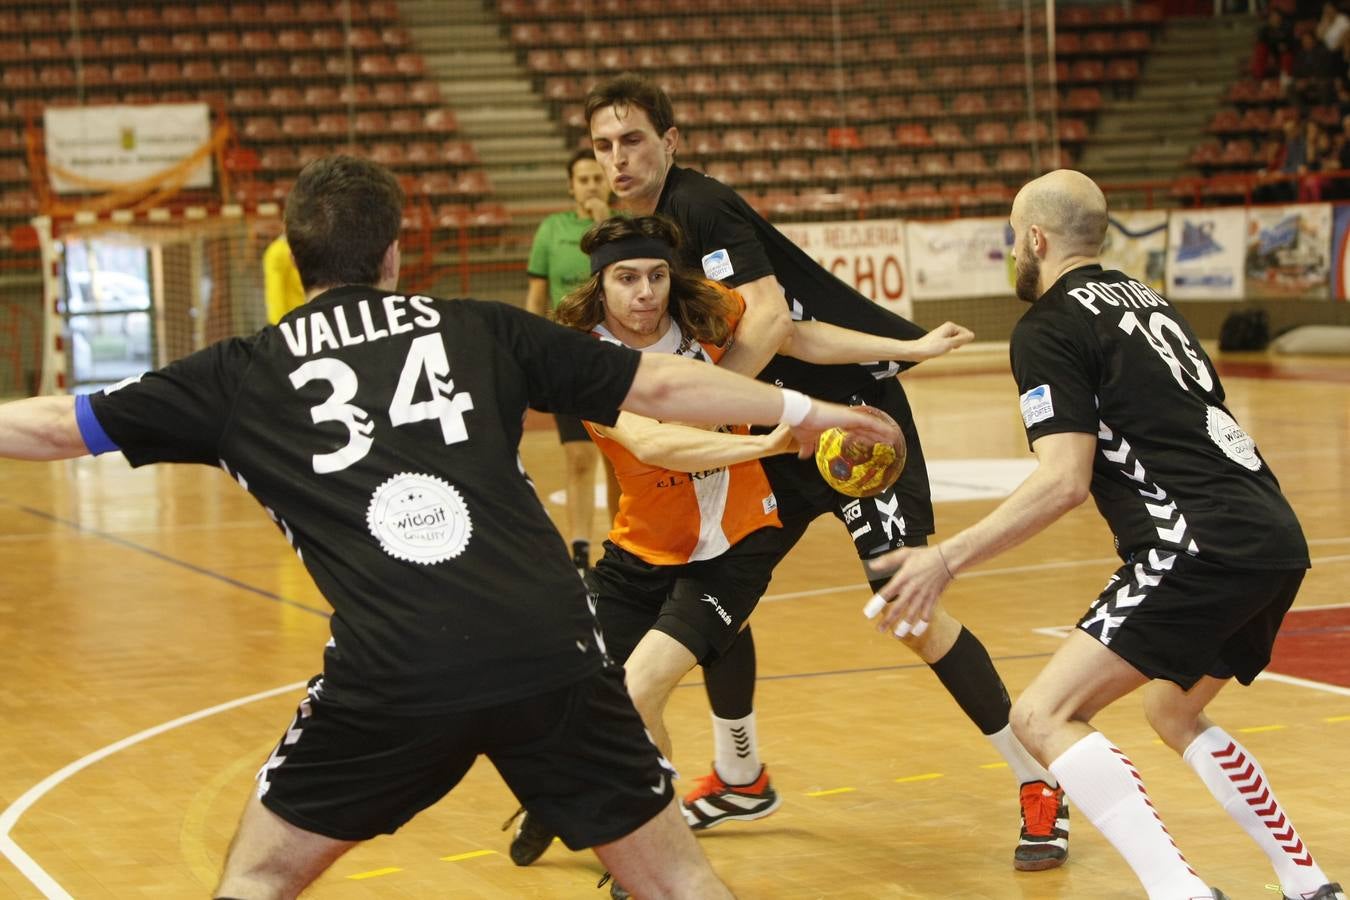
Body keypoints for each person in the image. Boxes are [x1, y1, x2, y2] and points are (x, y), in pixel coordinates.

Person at [0, 154, 899, 900]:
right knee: (677, 883)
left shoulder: (241, 373)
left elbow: (51, 427)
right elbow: (659, 384)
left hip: (396, 672)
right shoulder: (479, 329)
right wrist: (806, 410)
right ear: (395, 252)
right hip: (553, 650)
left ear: (291, 253)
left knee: (260, 878)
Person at [582, 73, 1070, 871]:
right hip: (780, 428)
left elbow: (774, 319)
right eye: (604, 145)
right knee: (712, 573)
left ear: (669, 143)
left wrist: (713, 409)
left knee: (904, 604)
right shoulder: (646, 234)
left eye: (632, 139)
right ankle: (740, 772)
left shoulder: (698, 204)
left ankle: (1039, 777)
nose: (618, 157)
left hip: (848, 431)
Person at [871, 169, 1344, 900]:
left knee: (1041, 715)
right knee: (1172, 707)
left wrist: (944, 558)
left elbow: (1065, 479)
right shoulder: (1150, 301)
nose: (1010, 252)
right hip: (1272, 532)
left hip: (1195, 541)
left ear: (1034, 239)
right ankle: (1307, 882)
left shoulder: (1049, 326)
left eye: (1010, 237)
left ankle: (1180, 892)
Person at [506, 214, 973, 890]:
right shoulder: (581, 354)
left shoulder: (703, 312)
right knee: (586, 702)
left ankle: (648, 859)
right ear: (599, 284)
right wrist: (772, 439)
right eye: (627, 278)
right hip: (643, 547)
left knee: (637, 692)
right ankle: (578, 800)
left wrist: (911, 346)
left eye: (656, 275)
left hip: (735, 543)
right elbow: (657, 442)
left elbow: (792, 331)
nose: (645, 292)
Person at [526, 149, 617, 575]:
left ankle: (622, 548)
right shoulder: (551, 230)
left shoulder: (620, 228)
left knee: (621, 460)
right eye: (583, 180)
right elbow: (537, 294)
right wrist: (526, 348)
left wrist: (604, 222)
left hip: (614, 356)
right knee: (579, 457)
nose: (591, 186)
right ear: (570, 186)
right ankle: (580, 552)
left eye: (597, 179)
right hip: (565, 356)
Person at [262, 233, 305, 325]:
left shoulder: (280, 250)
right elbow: (275, 292)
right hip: (292, 320)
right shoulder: (278, 251)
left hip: (301, 317)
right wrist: (279, 323)